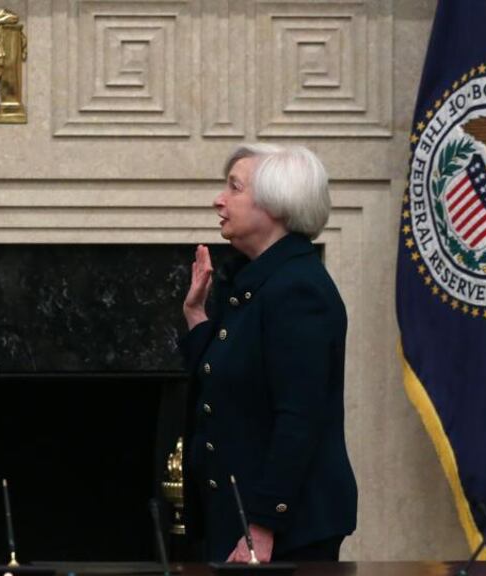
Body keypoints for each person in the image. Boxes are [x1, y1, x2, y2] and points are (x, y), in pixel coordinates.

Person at [179, 143, 357, 562]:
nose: (219, 200)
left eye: (234, 188)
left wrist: (261, 525)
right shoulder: (252, 280)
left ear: (276, 205)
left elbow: (300, 418)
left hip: (280, 531)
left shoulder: (298, 290)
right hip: (238, 517)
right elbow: (224, 389)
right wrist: (195, 314)